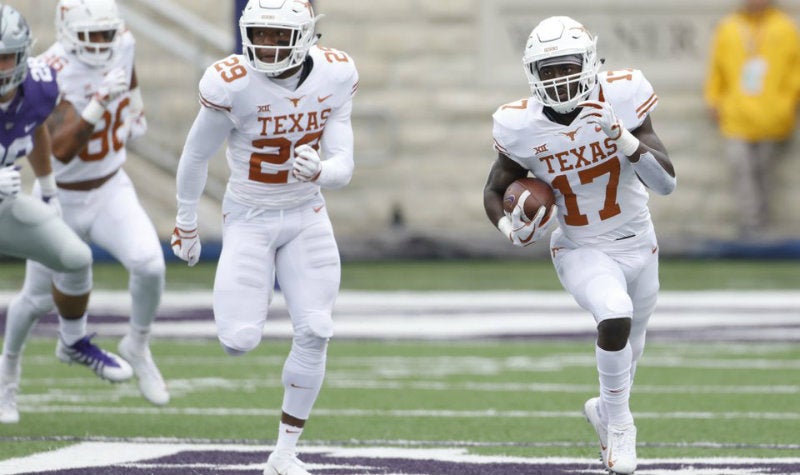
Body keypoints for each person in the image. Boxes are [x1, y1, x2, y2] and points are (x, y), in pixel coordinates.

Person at [483, 16, 676, 474]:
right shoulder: (519, 125)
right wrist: (510, 229)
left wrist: (622, 137)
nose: (559, 78)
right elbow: (494, 190)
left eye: (566, 66)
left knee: (631, 347)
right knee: (614, 314)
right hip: (579, 245)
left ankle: (605, 411)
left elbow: (666, 183)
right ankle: (622, 428)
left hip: (640, 242)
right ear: (532, 74)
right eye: (547, 70)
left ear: (590, 62)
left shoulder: (623, 96)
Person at [171, 0, 357, 473]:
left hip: (306, 213)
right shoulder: (231, 83)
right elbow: (195, 156)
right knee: (238, 339)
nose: (266, 45)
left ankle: (285, 452)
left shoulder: (334, 75)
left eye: (278, 36)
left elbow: (344, 164)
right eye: (258, 33)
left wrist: (322, 169)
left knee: (316, 330)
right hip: (250, 216)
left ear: (308, 35)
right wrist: (186, 219)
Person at [2, 0, 169, 415]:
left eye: (106, 34)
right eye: (91, 36)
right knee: (36, 299)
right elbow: (60, 148)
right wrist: (96, 105)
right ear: (67, 33)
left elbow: (127, 75)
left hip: (112, 185)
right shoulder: (46, 71)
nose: (101, 44)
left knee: (150, 265)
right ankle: (7, 375)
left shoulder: (122, 42)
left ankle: (138, 344)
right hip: (64, 193)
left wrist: (133, 106)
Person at [704, 0, 800, 238]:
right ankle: (750, 225)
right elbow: (717, 69)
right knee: (741, 170)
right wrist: (713, 99)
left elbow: (795, 71)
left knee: (765, 173)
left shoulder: (784, 27)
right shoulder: (729, 27)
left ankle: (764, 224)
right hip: (736, 117)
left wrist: (787, 104)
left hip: (772, 117)